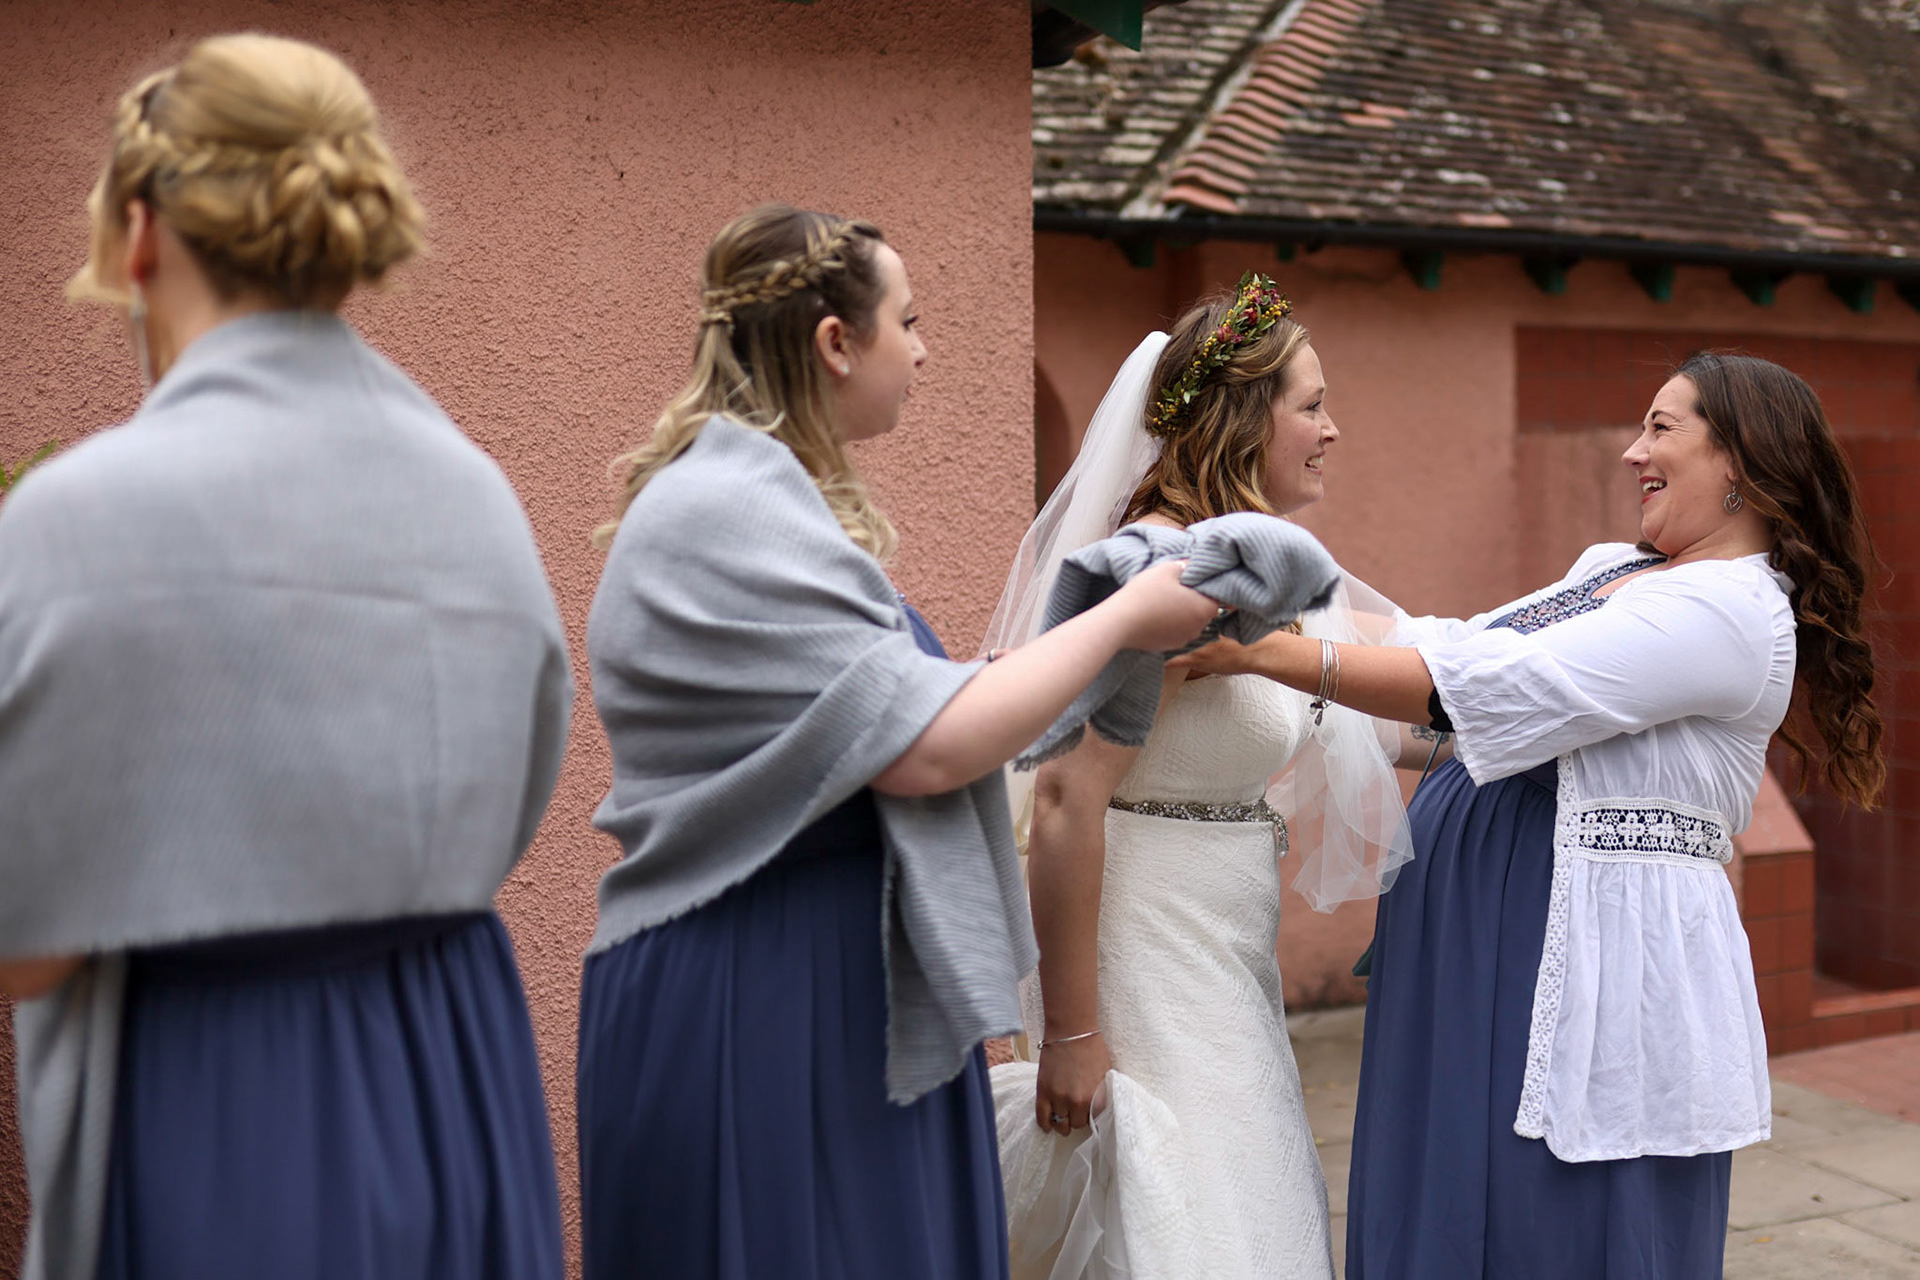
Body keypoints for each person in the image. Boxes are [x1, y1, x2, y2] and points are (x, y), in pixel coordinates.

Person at [0, 35, 572, 1280]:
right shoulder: (479, 501)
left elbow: (24, 935)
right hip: (457, 1073)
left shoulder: (74, 519)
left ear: (140, 231)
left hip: (212, 1091)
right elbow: (521, 794)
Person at [575, 204, 1222, 1280]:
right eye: (908, 320)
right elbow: (927, 742)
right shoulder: (727, 510)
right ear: (835, 342)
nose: (923, 349)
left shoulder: (760, 502)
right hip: (762, 985)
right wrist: (1122, 618)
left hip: (831, 978)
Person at [1181, 352, 1883, 1279]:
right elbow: (1448, 646)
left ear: (1742, 466)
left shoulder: (1731, 612)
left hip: (1569, 937)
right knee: (1448, 1176)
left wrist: (1264, 651)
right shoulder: (1613, 569)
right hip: (1478, 924)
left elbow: (1482, 683)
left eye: (1663, 429)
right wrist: (1269, 569)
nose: (1634, 451)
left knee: (1549, 1210)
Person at [984, 275, 1414, 1279]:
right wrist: (1074, 1030)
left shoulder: (1257, 576)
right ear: (1239, 418)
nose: (1332, 428)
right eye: (1311, 404)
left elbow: (1376, 704)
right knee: (1190, 1224)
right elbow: (1062, 796)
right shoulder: (1159, 579)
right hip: (1144, 956)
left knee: (1245, 1206)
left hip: (1225, 965)